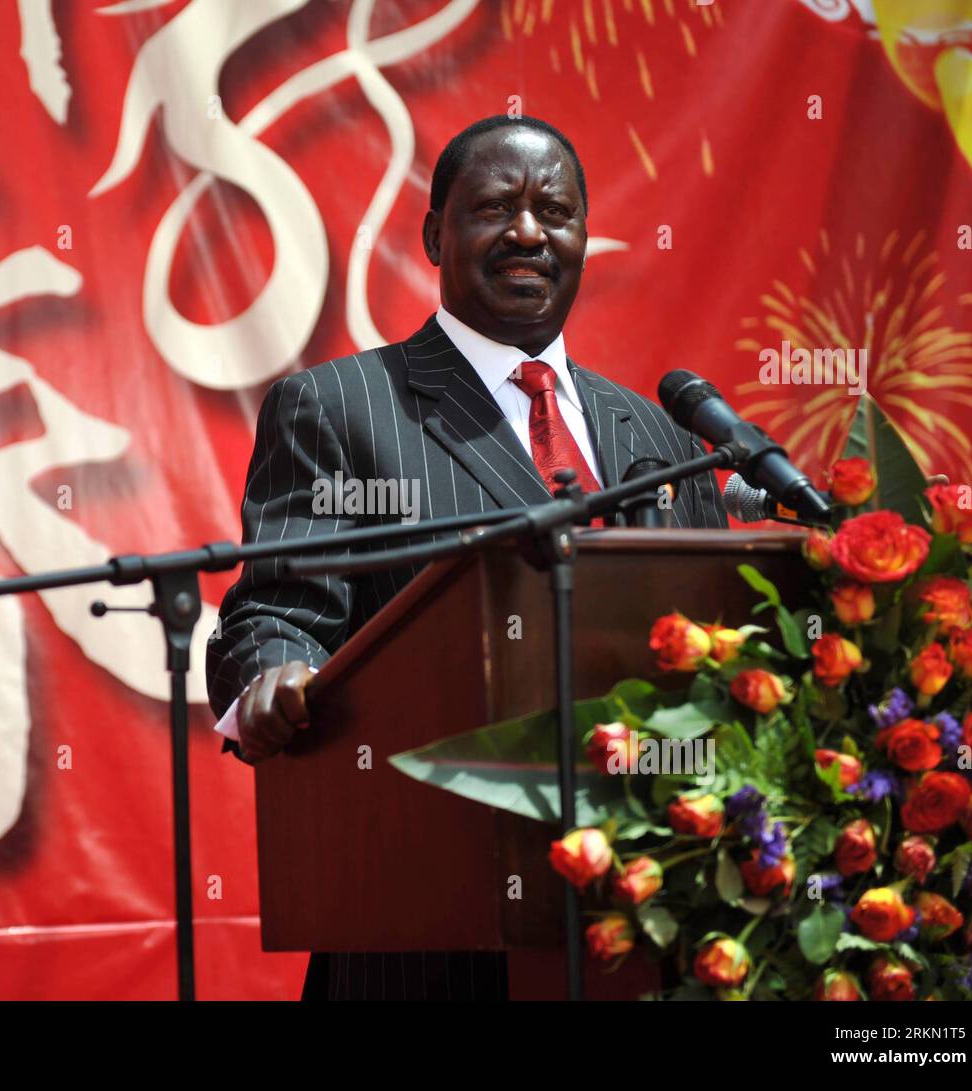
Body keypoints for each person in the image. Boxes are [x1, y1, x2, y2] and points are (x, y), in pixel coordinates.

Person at [206, 114, 729, 1000]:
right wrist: (279, 670)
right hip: (432, 926)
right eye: (496, 206)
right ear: (434, 234)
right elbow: (280, 611)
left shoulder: (663, 434)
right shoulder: (341, 406)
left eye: (554, 211)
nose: (529, 231)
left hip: (650, 920)